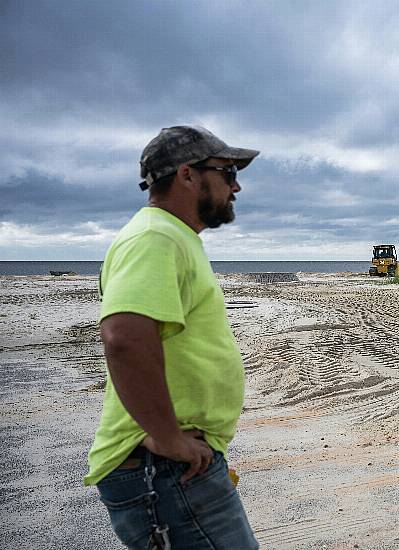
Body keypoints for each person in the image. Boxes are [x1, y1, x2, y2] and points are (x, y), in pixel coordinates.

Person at [84, 125, 260, 549]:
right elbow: (124, 337)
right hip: (163, 468)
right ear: (186, 175)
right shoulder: (155, 237)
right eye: (227, 170)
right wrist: (167, 438)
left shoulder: (175, 237)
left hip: (171, 465)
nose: (236, 185)